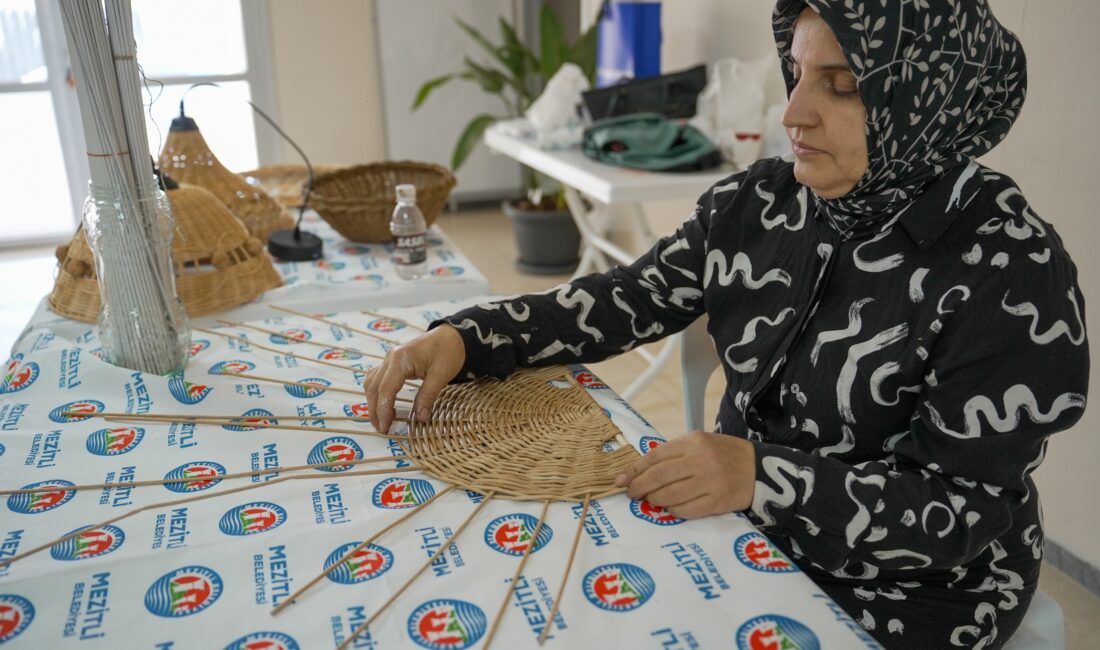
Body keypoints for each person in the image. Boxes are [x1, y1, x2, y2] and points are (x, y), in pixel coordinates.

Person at [365, 1, 1089, 647]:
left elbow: (960, 509)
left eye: (842, 86)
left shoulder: (1009, 267)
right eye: (797, 74)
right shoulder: (763, 203)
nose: (793, 114)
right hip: (744, 524)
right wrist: (467, 337)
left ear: (927, 98)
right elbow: (624, 299)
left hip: (917, 586)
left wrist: (760, 476)